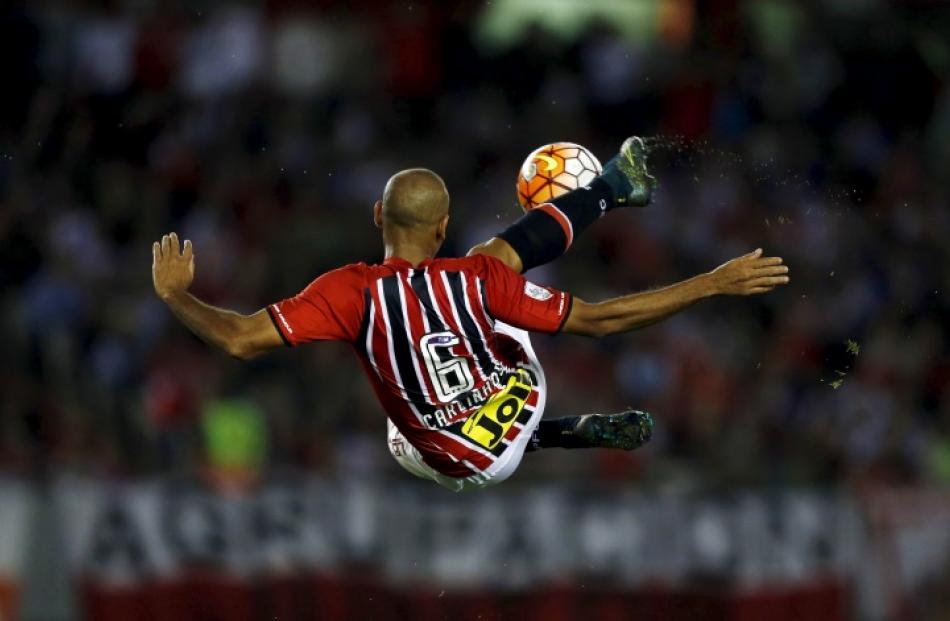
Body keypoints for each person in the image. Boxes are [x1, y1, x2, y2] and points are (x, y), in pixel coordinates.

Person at [151, 137, 790, 491]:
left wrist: (178, 295)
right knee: (500, 265)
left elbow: (238, 340)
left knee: (398, 435)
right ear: (444, 227)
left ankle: (559, 434)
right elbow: (600, 322)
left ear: (378, 217)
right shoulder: (476, 277)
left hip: (445, 455)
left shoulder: (348, 290)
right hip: (519, 397)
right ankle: (611, 188)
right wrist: (710, 283)